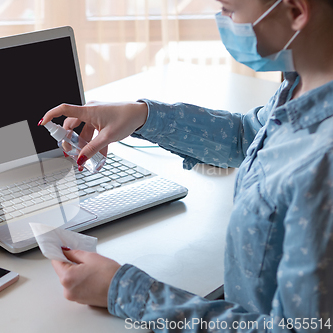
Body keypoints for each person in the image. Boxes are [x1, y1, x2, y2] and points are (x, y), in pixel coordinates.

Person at [39, 0, 333, 331]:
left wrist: (124, 290)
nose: (223, 21)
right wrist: (142, 116)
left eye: (229, 10)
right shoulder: (302, 85)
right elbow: (246, 135)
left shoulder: (324, 165)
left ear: (295, 12)